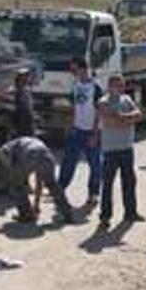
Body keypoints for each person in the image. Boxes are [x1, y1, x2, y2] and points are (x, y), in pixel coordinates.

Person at [97, 75, 145, 229]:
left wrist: (121, 118)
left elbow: (139, 115)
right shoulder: (103, 102)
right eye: (115, 85)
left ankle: (131, 212)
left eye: (121, 85)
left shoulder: (127, 99)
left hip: (126, 148)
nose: (118, 88)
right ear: (109, 86)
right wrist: (127, 119)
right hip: (110, 149)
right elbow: (110, 122)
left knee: (129, 181)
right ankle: (105, 216)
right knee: (108, 184)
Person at [58, 57, 103, 205]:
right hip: (77, 130)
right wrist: (70, 126)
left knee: (95, 164)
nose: (72, 72)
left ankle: (93, 193)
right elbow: (73, 107)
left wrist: (95, 133)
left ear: (83, 69)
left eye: (74, 69)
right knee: (68, 161)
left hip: (91, 131)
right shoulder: (75, 85)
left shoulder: (96, 88)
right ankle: (60, 188)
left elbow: (99, 112)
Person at [0, 136, 73, 223]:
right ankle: (67, 212)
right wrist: (36, 206)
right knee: (51, 184)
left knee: (16, 186)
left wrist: (13, 172)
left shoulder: (7, 148)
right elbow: (39, 182)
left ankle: (26, 214)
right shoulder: (26, 142)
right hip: (47, 157)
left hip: (30, 154)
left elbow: (6, 157)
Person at [12, 68, 37, 138]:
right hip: (22, 115)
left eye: (27, 75)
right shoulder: (18, 88)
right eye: (24, 76)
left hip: (28, 116)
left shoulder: (26, 88)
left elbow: (29, 103)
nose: (26, 77)